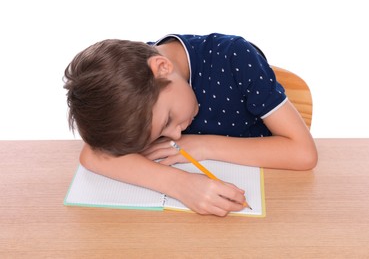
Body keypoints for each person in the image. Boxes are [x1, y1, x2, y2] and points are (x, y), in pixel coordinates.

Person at [63, 33, 318, 217]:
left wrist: (203, 145)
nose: (175, 134)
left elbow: (303, 153)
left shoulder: (235, 58)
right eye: (160, 134)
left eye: (168, 120)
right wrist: (180, 184)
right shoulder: (132, 90)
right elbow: (92, 156)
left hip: (273, 207)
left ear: (162, 67)